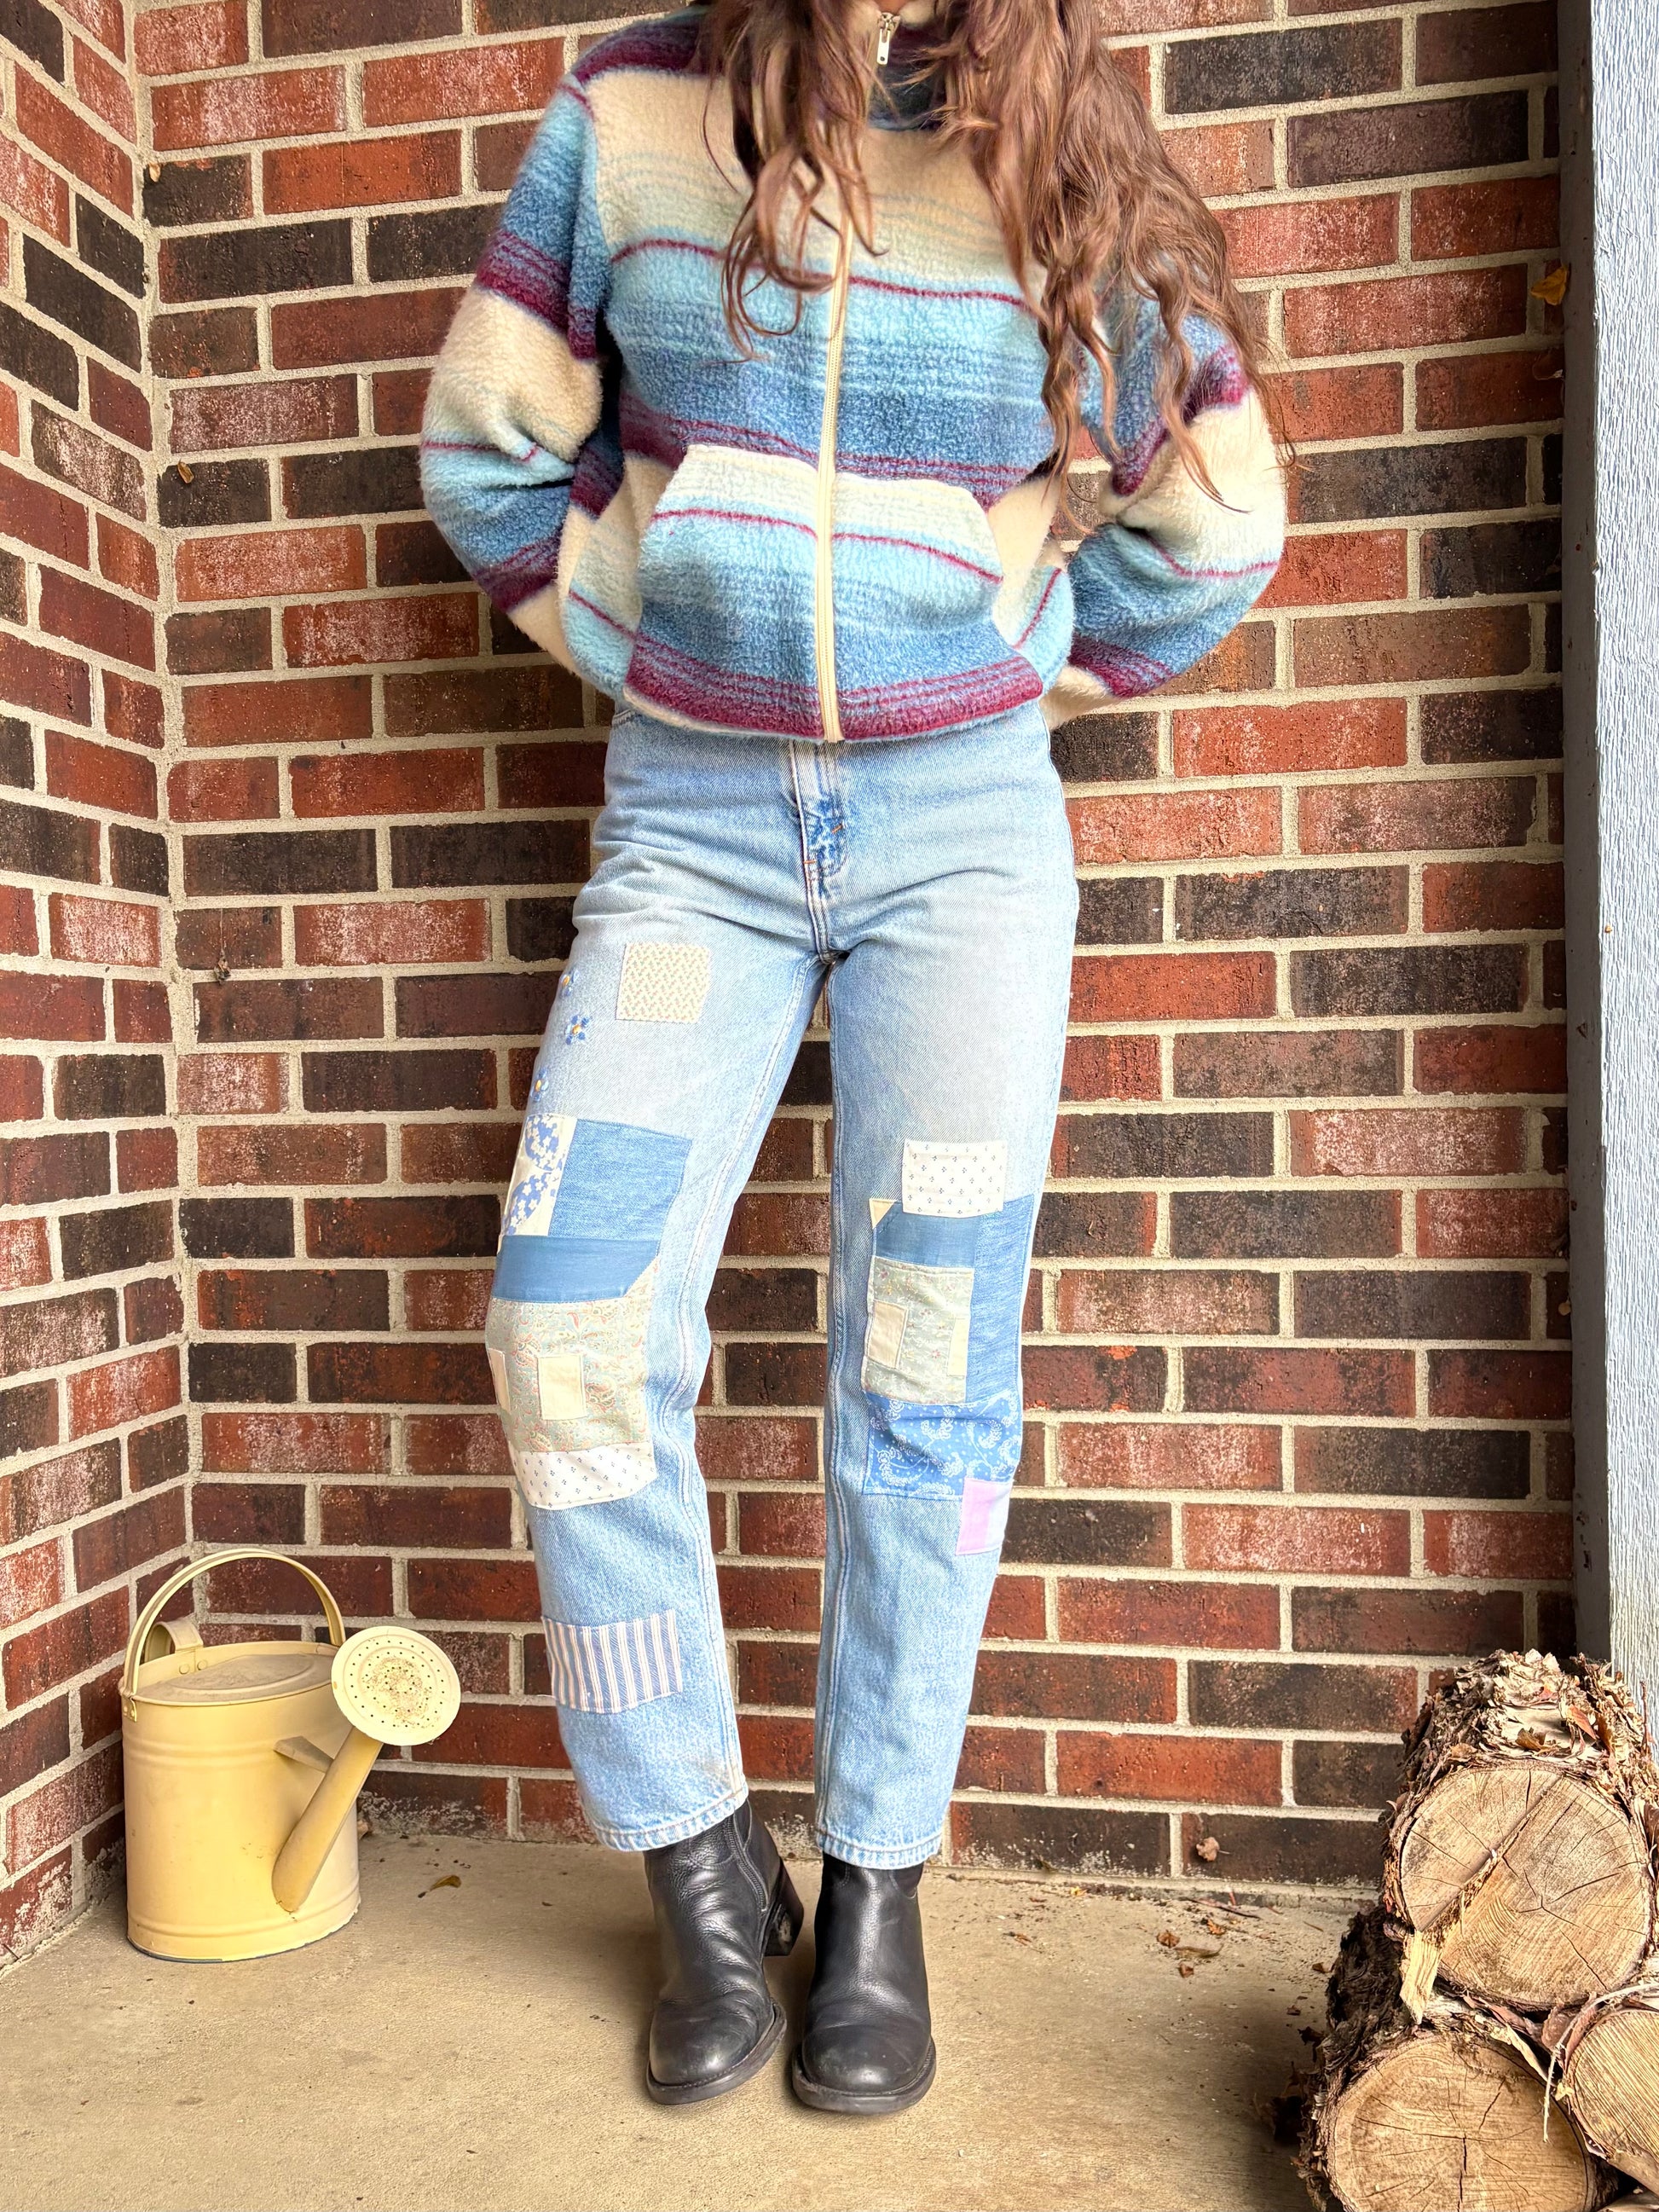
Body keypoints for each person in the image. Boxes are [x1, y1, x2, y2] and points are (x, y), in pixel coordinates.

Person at [419, 0, 1284, 2116]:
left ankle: (876, 1884)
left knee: (927, 1363)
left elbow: (1216, 520)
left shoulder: (1059, 144)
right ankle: (705, 1866)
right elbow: (489, 454)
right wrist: (661, 639)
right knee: (569, 1324)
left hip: (963, 840)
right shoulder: (633, 113)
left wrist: (995, 662)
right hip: (690, 831)